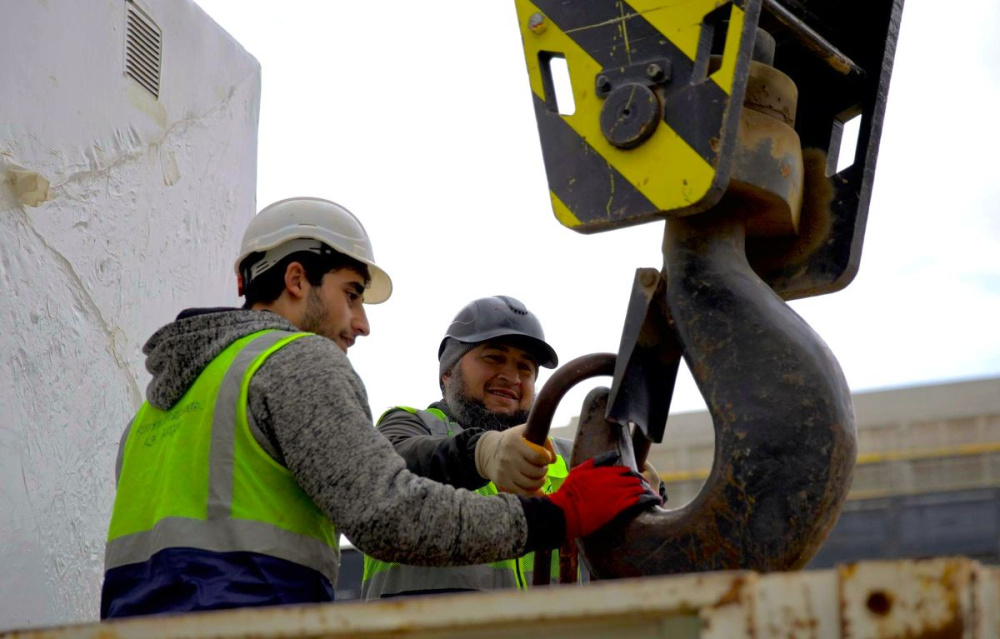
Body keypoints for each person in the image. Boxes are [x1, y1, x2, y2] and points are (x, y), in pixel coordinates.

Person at [101, 197, 656, 619]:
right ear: (297, 279)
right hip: (247, 623)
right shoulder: (296, 362)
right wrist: (554, 516)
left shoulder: (157, 407)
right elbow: (389, 514)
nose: (362, 323)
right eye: (352, 293)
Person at [362, 296, 665, 599]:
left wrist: (647, 491)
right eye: (494, 358)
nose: (512, 377)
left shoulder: (566, 456)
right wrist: (481, 451)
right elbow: (386, 465)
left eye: (525, 367)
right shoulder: (410, 425)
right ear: (448, 372)